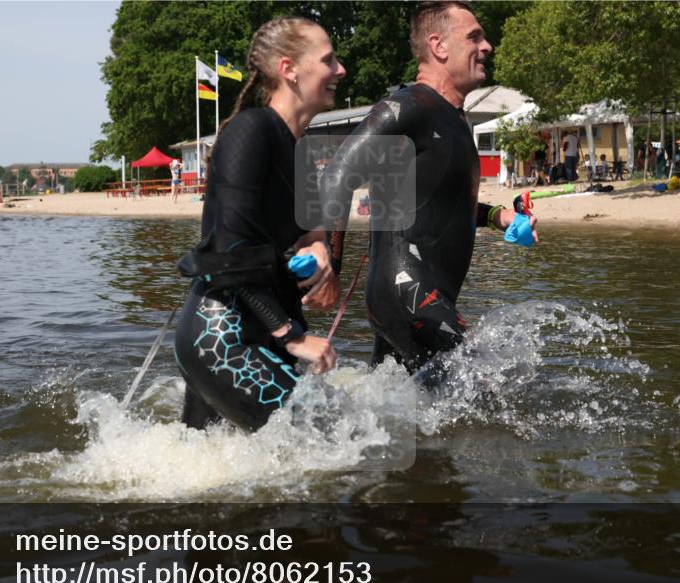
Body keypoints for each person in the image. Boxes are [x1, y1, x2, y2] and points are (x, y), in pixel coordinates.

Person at [319, 1, 538, 382]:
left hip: (414, 296)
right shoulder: (409, 106)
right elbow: (338, 172)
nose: (487, 46)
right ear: (439, 46)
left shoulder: (450, 117)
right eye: (474, 37)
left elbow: (438, 199)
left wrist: (496, 217)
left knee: (404, 425)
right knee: (492, 392)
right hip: (408, 291)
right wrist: (329, 269)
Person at [173, 16, 344, 431]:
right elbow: (227, 250)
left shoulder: (299, 150)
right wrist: (291, 336)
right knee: (328, 444)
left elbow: (311, 227)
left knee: (212, 477)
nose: (340, 70)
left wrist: (319, 250)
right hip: (220, 336)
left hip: (254, 328)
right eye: (328, 60)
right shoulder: (251, 131)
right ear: (289, 70)